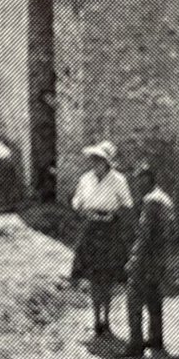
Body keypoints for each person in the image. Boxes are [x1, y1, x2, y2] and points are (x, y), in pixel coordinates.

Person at [69, 140, 134, 338]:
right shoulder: (85, 179)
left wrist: (111, 215)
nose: (95, 164)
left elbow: (127, 204)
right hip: (91, 230)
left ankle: (106, 318)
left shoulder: (118, 180)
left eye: (100, 160)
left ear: (108, 163)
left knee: (107, 277)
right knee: (94, 277)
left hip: (109, 231)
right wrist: (83, 209)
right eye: (94, 160)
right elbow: (76, 202)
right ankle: (96, 318)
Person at [123, 164, 177, 359]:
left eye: (139, 180)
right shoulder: (164, 198)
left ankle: (135, 344)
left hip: (146, 259)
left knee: (133, 299)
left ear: (147, 180)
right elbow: (172, 231)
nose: (137, 185)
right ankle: (156, 340)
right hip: (160, 258)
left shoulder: (151, 201)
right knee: (154, 299)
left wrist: (134, 260)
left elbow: (144, 236)